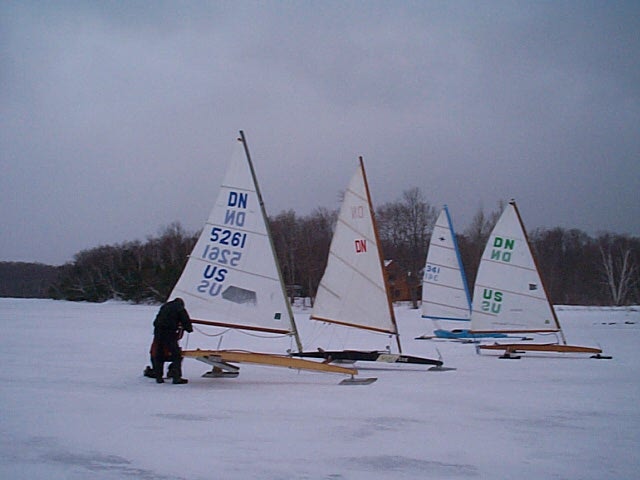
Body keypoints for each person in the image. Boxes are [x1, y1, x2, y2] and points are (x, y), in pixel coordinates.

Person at [150, 297, 193, 384]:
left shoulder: (165, 306)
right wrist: (189, 329)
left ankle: (159, 377)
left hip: (158, 333)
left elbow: (156, 320)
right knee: (176, 355)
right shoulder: (179, 308)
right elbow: (185, 320)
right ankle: (177, 378)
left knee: (159, 355)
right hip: (169, 333)